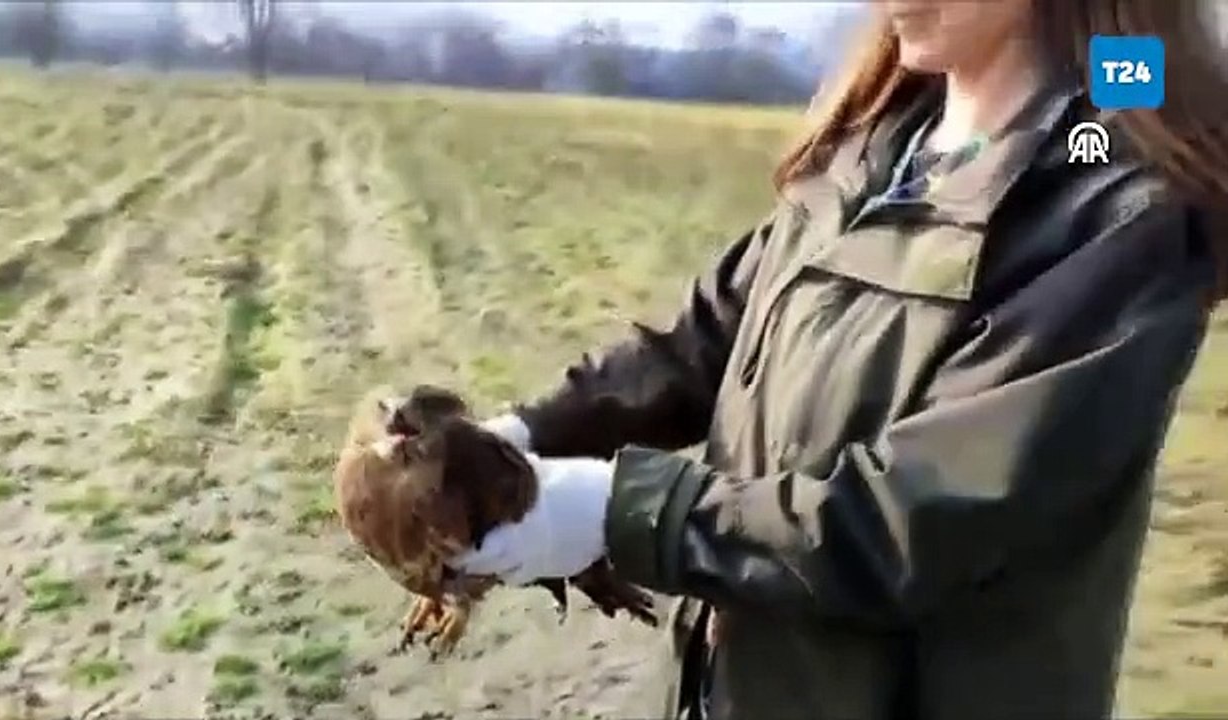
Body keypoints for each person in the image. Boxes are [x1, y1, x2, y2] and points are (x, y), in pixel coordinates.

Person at [453, 1, 1228, 718]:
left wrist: (612, 512)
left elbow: (913, 518)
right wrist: (516, 440)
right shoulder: (879, 140)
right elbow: (713, 332)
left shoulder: (1117, 211)